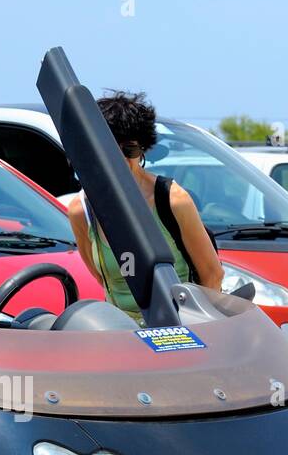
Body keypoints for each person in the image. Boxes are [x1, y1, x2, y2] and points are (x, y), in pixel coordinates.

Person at [67, 90, 224, 322]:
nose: (120, 158)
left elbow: (212, 275)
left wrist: (196, 330)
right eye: (111, 149)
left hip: (180, 329)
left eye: (129, 149)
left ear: (142, 149)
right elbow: (105, 282)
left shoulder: (172, 200)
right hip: (120, 336)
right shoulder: (82, 211)